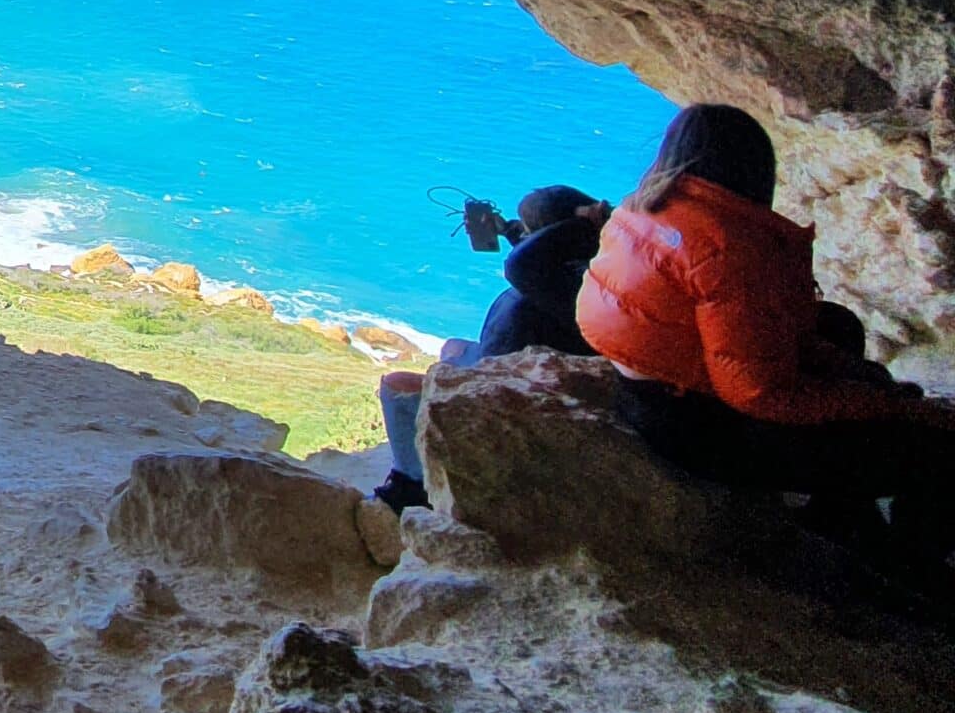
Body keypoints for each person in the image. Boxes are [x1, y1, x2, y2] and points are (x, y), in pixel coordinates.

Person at [577, 102, 955, 580]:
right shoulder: (725, 244)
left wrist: (849, 373)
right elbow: (759, 393)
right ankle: (908, 570)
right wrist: (890, 407)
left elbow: (763, 332)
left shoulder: (642, 208)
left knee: (837, 327)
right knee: (938, 451)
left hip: (649, 393)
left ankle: (838, 511)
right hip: (700, 430)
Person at [372, 183, 608, 510]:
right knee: (451, 346)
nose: (524, 238)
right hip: (502, 358)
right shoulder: (581, 274)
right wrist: (507, 228)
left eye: (530, 231)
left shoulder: (568, 286)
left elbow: (524, 265)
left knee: (396, 385)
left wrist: (586, 223)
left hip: (500, 380)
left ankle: (411, 484)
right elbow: (539, 255)